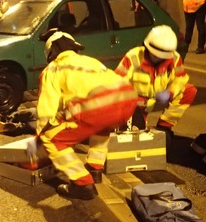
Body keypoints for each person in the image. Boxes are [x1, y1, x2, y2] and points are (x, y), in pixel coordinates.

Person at [34, 31, 138, 200]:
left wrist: (40, 135)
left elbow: (47, 109)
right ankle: (95, 168)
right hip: (127, 99)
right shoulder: (90, 61)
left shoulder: (52, 69)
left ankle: (82, 184)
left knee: (51, 139)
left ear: (51, 53)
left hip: (96, 105)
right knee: (102, 127)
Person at [114, 25, 197, 141]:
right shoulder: (134, 56)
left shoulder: (174, 58)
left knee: (189, 91)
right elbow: (116, 82)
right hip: (134, 102)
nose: (157, 57)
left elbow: (180, 79)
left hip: (157, 98)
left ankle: (164, 127)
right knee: (134, 137)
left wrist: (170, 92)